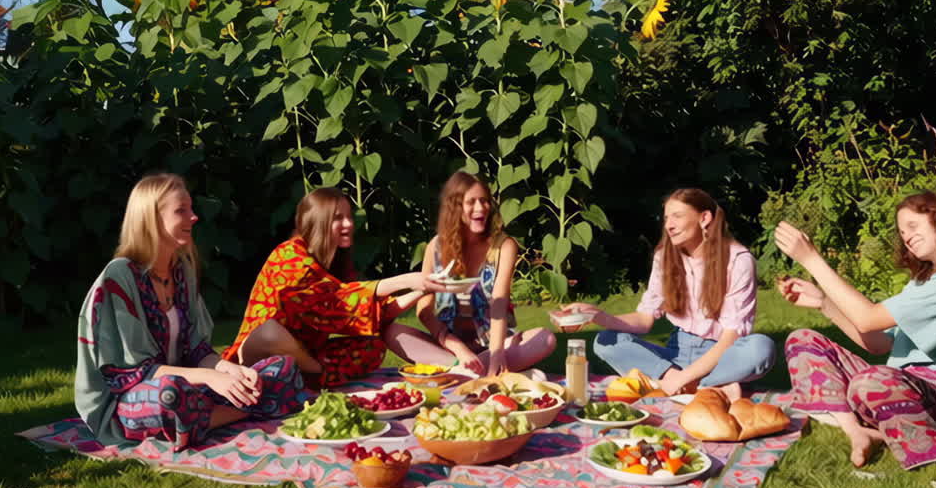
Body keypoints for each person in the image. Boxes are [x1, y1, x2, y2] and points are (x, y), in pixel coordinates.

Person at [774, 191, 936, 488]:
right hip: (900, 383)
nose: (906, 237)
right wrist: (824, 303)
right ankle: (858, 433)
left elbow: (868, 318)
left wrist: (811, 260)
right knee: (803, 340)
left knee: (871, 381)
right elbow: (878, 344)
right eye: (902, 231)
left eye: (913, 225)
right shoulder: (924, 281)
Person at [75, 173, 306, 450]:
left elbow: (198, 352)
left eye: (191, 209)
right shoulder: (120, 277)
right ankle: (244, 410)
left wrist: (231, 372)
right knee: (170, 395)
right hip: (128, 398)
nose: (194, 217)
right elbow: (134, 373)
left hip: (189, 384)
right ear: (151, 218)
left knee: (282, 369)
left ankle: (206, 418)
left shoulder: (182, 270)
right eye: (181, 210)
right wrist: (212, 378)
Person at [555, 188, 775, 400]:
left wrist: (683, 377)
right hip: (675, 355)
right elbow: (644, 320)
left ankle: (685, 383)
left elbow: (731, 337)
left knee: (760, 348)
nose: (669, 225)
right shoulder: (665, 257)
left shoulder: (737, 260)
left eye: (677, 216)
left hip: (721, 355)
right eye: (667, 218)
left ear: (704, 218)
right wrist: (597, 315)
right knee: (605, 339)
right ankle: (705, 385)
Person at [226, 187, 446, 388]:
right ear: (317, 221)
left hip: (304, 354)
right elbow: (334, 299)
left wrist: (424, 288)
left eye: (349, 216)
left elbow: (368, 311)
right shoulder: (288, 255)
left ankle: (455, 367)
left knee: (372, 344)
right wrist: (406, 280)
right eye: (338, 218)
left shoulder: (336, 261)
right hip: (259, 353)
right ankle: (314, 374)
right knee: (270, 332)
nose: (349, 224)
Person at [412, 171, 555, 376]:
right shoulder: (436, 247)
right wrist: (459, 349)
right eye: (471, 202)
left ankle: (460, 372)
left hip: (493, 344)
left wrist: (497, 353)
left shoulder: (504, 246)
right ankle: (466, 369)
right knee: (393, 333)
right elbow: (423, 310)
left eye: (485, 201)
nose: (481, 208)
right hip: (450, 347)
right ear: (455, 206)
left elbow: (499, 302)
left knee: (546, 339)